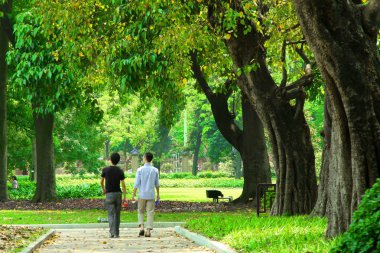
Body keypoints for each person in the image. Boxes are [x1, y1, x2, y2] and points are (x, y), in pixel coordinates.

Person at [132, 152, 160, 237]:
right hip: (151, 194)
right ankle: (148, 231)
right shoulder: (155, 170)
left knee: (140, 211)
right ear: (151, 159)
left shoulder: (140, 170)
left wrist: (133, 194)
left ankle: (141, 228)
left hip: (142, 194)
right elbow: (157, 184)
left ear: (144, 158)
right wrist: (158, 194)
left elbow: (136, 183)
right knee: (150, 212)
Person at [100, 152, 127, 238]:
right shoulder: (120, 170)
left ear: (110, 160)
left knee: (110, 214)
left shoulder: (105, 170)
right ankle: (117, 233)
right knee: (117, 214)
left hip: (109, 194)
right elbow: (123, 184)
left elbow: (101, 182)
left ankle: (112, 232)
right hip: (118, 194)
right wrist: (125, 197)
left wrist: (104, 190)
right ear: (118, 161)